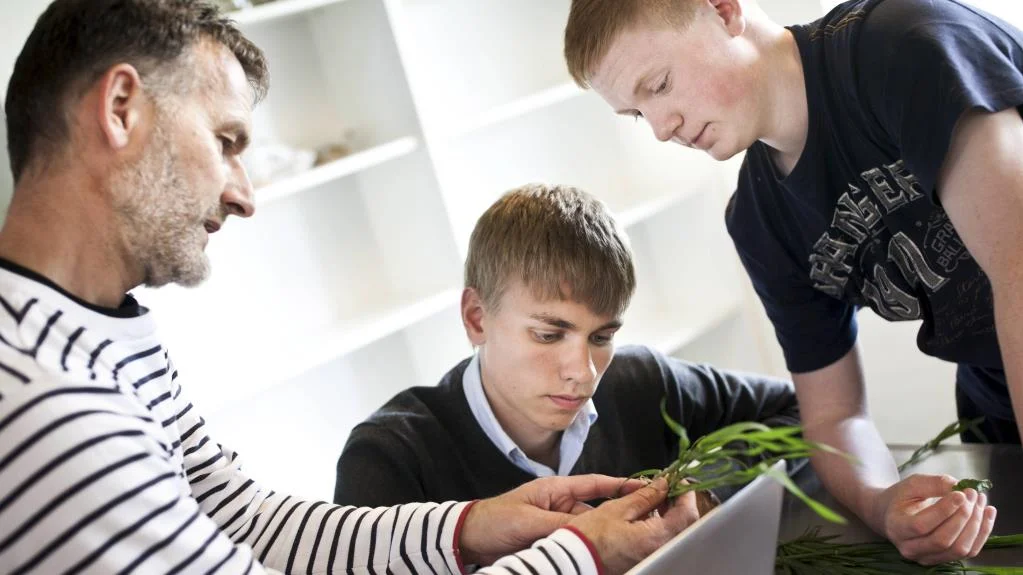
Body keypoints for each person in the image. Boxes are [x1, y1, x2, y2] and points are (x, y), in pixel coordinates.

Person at [0, 1, 698, 573]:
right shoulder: (51, 407)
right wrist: (579, 553)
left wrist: (472, 527)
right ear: (121, 107)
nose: (244, 195)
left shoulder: (97, 333)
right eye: (227, 141)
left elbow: (243, 516)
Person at [563, 0, 1015, 565]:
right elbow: (835, 415)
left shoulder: (905, 49)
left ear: (724, 10)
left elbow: (1018, 274)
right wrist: (881, 502)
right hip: (997, 401)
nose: (660, 129)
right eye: (636, 114)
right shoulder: (759, 222)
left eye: (659, 85)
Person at [334, 183, 800, 509]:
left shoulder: (641, 382)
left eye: (602, 337)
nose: (584, 372)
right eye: (548, 334)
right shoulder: (390, 460)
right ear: (477, 318)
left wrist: (707, 486)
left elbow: (801, 413)